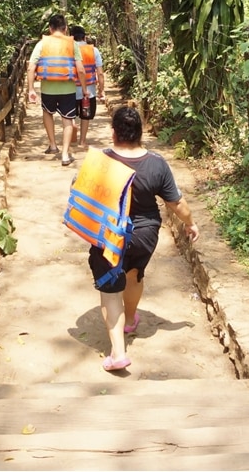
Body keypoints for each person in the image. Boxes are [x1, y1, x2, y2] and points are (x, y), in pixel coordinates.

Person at [91, 105, 199, 372]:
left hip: (108, 235)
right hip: (145, 234)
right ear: (140, 132)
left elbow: (81, 192)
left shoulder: (101, 161)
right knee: (134, 275)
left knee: (111, 291)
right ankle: (130, 320)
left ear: (113, 133)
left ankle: (118, 353)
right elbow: (177, 203)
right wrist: (190, 224)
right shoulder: (156, 164)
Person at [25, 14, 88, 166]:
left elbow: (31, 68)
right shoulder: (72, 44)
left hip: (48, 89)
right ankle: (65, 155)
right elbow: (80, 70)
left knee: (47, 113)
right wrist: (84, 89)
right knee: (67, 120)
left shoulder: (41, 44)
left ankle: (53, 145)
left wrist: (31, 89)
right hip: (68, 89)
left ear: (50, 29)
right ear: (66, 29)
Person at [69, 25, 105, 148]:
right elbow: (100, 73)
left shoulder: (68, 51)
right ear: (85, 37)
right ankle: (82, 141)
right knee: (85, 115)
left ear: (71, 38)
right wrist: (101, 90)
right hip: (89, 90)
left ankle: (72, 125)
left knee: (69, 114)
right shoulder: (94, 50)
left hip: (70, 89)